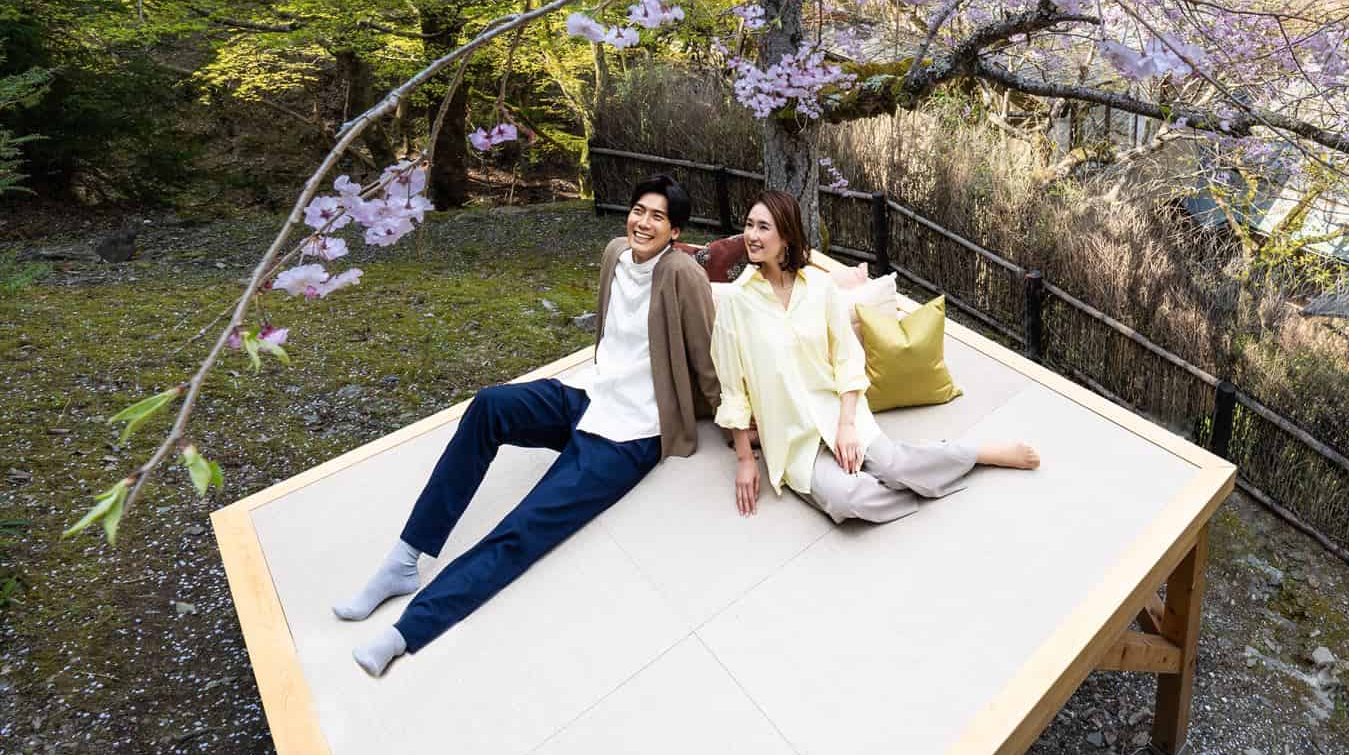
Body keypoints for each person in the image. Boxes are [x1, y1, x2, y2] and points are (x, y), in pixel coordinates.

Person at [334, 177, 720, 675]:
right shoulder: (614, 255)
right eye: (637, 210)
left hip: (631, 431)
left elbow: (707, 360)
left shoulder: (683, 275)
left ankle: (407, 630)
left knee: (525, 525)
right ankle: (404, 560)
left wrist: (740, 434)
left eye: (657, 217)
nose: (642, 223)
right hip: (589, 395)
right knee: (490, 406)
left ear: (674, 231)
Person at [711, 189, 1040, 524]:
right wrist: (746, 461)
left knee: (895, 466)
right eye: (749, 225)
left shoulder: (819, 288)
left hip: (838, 411)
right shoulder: (736, 305)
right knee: (847, 500)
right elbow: (733, 391)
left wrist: (847, 425)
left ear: (786, 236)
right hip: (793, 440)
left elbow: (846, 359)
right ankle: (932, 471)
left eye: (763, 227)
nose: (751, 235)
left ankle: (975, 453)